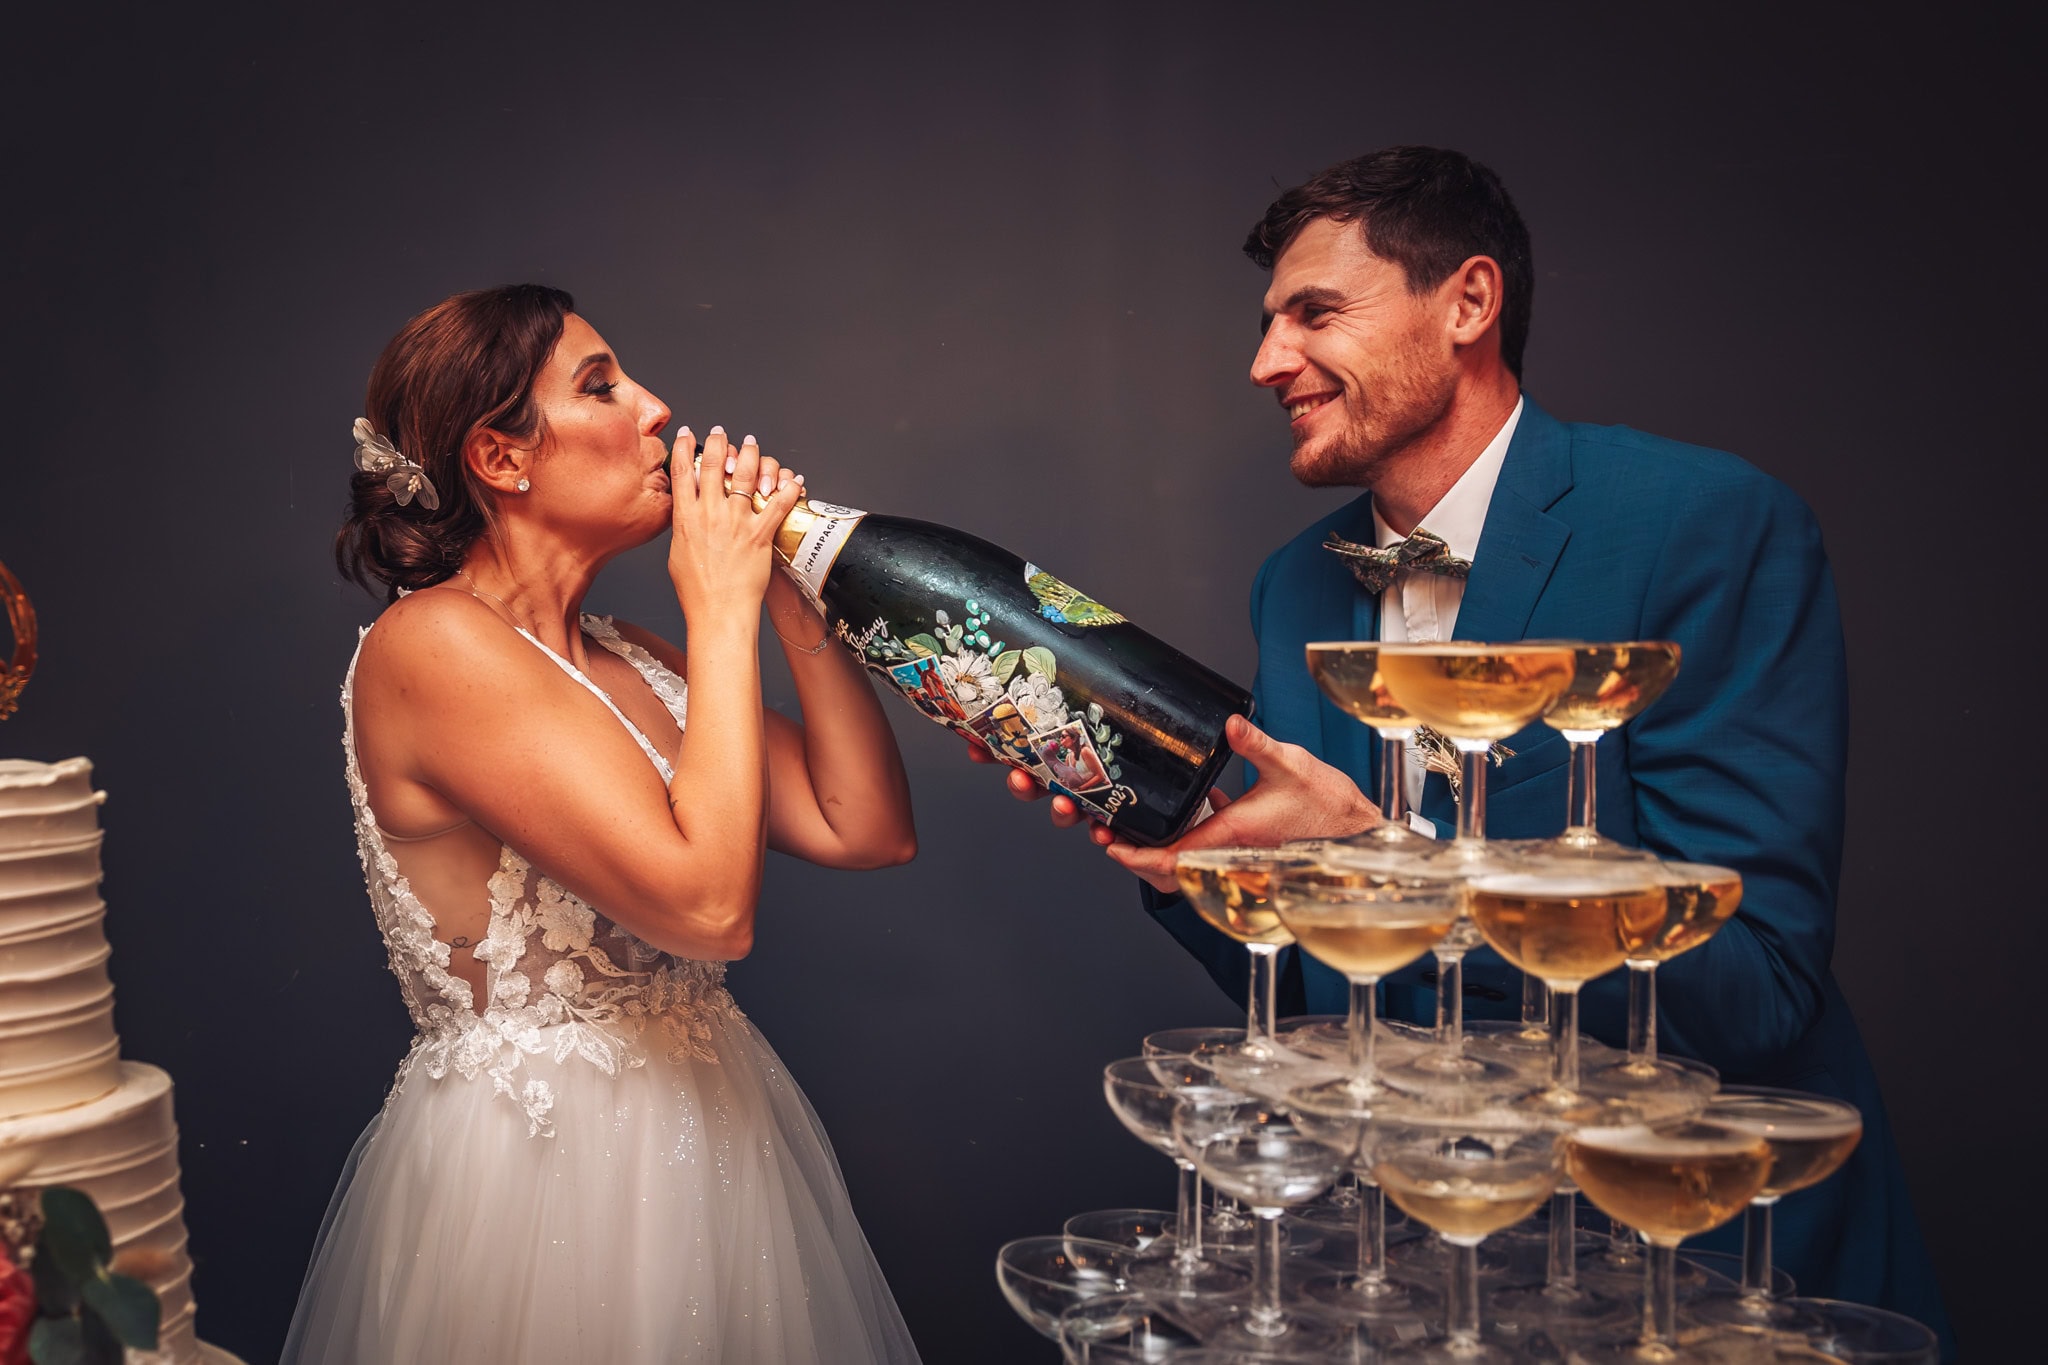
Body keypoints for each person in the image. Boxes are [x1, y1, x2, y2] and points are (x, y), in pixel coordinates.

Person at [979, 147, 1954, 1349]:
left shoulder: (1701, 523)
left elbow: (1754, 992)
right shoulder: (1294, 585)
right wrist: (1201, 870)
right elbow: (1338, 1006)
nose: (1265, 361)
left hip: (1688, 1264)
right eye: (1268, 322)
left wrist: (1384, 856)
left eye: (1313, 313)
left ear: (1467, 303)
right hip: (1422, 1274)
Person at [284, 285, 923, 1364]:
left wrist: (781, 594)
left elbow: (861, 825)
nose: (655, 408)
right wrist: (717, 607)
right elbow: (709, 911)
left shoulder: (630, 652)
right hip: (548, 1174)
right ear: (500, 457)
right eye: (600, 387)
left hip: (713, 1131)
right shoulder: (432, 646)